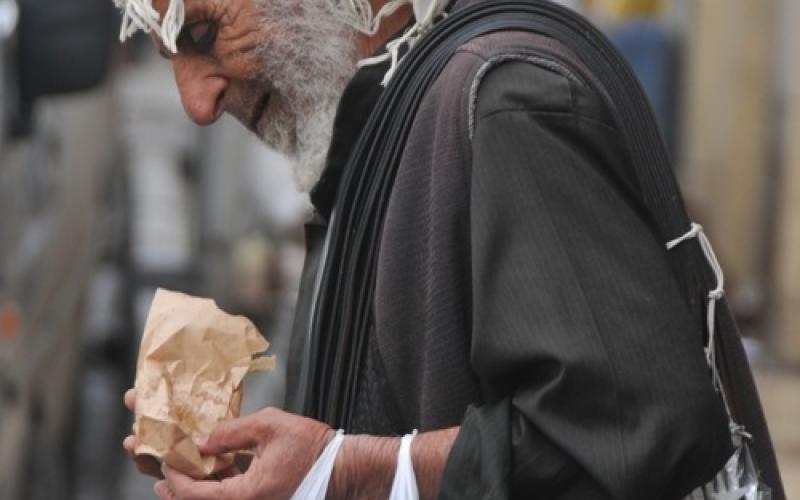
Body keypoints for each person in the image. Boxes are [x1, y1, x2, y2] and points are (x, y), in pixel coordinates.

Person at [116, 0, 784, 498]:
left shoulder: (506, 99)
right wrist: (283, 470)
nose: (196, 102)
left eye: (203, 35)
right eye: (166, 52)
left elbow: (627, 432)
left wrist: (348, 470)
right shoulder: (394, 114)